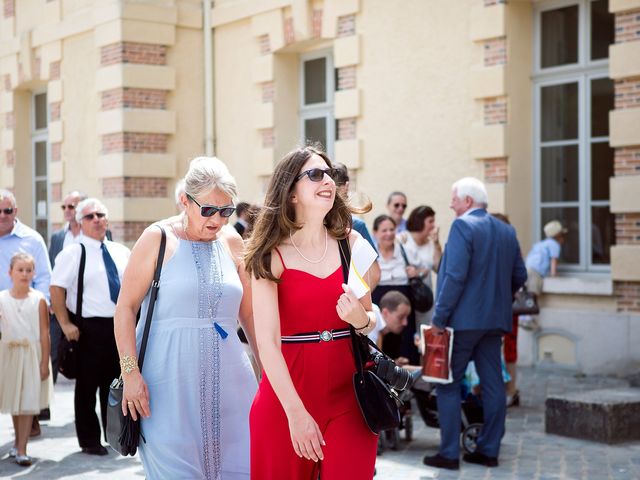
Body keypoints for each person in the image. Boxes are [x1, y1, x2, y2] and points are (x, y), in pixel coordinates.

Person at [114, 157, 259, 479]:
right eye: (208, 210)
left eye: (226, 211)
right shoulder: (158, 239)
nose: (218, 220)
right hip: (165, 387)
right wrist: (130, 374)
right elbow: (125, 308)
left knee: (240, 468)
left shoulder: (234, 243)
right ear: (185, 201)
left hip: (234, 385)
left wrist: (271, 374)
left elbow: (249, 315)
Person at [246, 145, 378, 479]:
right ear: (290, 192)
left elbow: (371, 316)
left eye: (330, 173)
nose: (328, 181)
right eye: (315, 174)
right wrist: (296, 413)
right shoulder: (269, 255)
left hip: (351, 395)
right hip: (285, 399)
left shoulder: (349, 245)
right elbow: (268, 343)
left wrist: (360, 320)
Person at [423, 177, 527, 471]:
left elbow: (454, 277)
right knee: (494, 385)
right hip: (495, 321)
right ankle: (488, 450)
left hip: (461, 322)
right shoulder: (507, 231)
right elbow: (520, 276)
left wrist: (439, 319)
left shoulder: (463, 226)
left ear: (467, 201)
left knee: (447, 384)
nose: (451, 204)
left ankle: (448, 453)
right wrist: (496, 297)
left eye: (454, 199)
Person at [50, 198, 131, 456]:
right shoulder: (74, 252)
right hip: (87, 329)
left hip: (117, 326)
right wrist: (64, 324)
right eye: (89, 216)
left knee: (114, 385)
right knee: (86, 388)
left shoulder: (120, 251)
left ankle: (114, 434)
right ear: (80, 222)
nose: (96, 219)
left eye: (100, 214)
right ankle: (89, 440)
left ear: (107, 219)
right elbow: (56, 288)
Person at [0, 253, 52, 466]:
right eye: (19, 270)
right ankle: (16, 444)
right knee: (15, 401)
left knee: (28, 402)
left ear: (34, 273)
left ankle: (22, 449)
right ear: (9, 272)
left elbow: (44, 333)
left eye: (28, 270)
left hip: (31, 354)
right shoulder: (2, 298)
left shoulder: (38, 299)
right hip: (9, 354)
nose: (24, 274)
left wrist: (44, 362)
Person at [48, 191, 87, 385]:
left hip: (84, 305)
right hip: (59, 303)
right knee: (54, 351)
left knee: (85, 357)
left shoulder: (95, 233)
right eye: (64, 207)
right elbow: (50, 269)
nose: (67, 211)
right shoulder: (57, 237)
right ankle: (46, 404)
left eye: (71, 206)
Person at [372, 214, 419, 366]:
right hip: (380, 304)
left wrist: (416, 273)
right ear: (375, 232)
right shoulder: (370, 254)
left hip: (402, 305)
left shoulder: (406, 252)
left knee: (404, 344)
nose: (389, 234)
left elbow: (424, 269)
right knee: (381, 345)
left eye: (392, 229)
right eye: (384, 230)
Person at [0, 189, 51, 301]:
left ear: (15, 211)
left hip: (24, 311)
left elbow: (44, 278)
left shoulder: (33, 240)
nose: (2, 215)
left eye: (7, 211)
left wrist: (39, 307)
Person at [491, 212, 521, 407]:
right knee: (502, 347)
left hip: (504, 306)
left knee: (506, 348)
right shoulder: (509, 246)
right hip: (503, 305)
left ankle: (509, 389)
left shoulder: (504, 249)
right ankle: (506, 388)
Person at [398, 206, 442, 328]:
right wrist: (418, 272)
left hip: (425, 300)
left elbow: (439, 268)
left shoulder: (431, 244)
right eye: (430, 221)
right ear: (420, 221)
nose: (434, 225)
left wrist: (437, 244)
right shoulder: (403, 239)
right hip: (408, 297)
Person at [525, 219, 567, 294]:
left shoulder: (543, 243)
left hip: (528, 267)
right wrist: (553, 275)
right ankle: (531, 304)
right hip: (535, 271)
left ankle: (528, 303)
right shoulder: (554, 245)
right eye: (562, 235)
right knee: (533, 292)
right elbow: (553, 260)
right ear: (558, 236)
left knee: (527, 289)